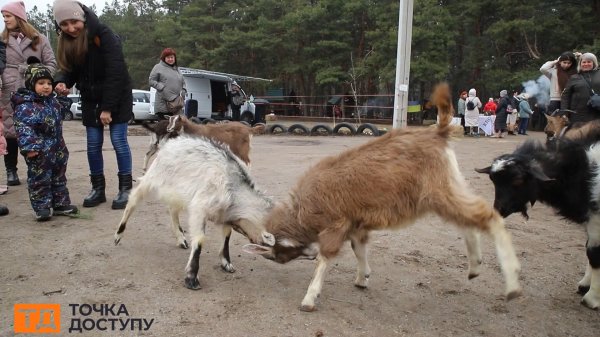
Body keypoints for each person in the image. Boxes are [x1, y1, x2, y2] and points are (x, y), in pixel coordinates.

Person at [52, 0, 134, 210]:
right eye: (64, 24)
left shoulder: (103, 34)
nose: (70, 28)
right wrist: (62, 81)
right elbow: (69, 68)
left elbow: (117, 72)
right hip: (90, 97)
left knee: (118, 140)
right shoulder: (67, 40)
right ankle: (98, 189)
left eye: (74, 22)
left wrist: (107, 107)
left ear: (82, 18)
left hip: (117, 94)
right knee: (92, 144)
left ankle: (126, 189)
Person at [11, 60, 78, 221]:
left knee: (59, 176)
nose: (46, 86)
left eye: (49, 83)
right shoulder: (25, 105)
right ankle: (42, 206)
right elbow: (24, 128)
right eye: (41, 83)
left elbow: (60, 113)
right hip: (39, 150)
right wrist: (30, 147)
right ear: (31, 83)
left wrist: (62, 97)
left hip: (57, 147)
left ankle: (60, 203)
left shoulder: (52, 102)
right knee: (39, 178)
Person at [1, 1, 57, 187]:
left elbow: (51, 64)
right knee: (10, 132)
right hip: (9, 89)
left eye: (8, 16)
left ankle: (37, 168)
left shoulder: (39, 39)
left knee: (36, 130)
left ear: (19, 17)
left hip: (34, 92)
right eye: (4, 16)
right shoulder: (2, 41)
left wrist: (37, 74)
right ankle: (11, 170)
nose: (5, 19)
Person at [561, 52, 600, 124]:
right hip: (578, 115)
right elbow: (565, 96)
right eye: (584, 62)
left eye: (589, 62)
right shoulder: (574, 77)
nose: (586, 64)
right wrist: (564, 113)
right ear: (580, 64)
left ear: (594, 63)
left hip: (597, 113)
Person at [148, 48, 186, 119]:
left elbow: (183, 81)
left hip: (176, 105)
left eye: (172, 57)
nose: (170, 59)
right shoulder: (158, 67)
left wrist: (184, 89)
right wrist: (162, 87)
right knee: (164, 128)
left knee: (175, 128)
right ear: (164, 58)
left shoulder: (177, 69)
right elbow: (151, 81)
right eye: (168, 57)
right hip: (163, 105)